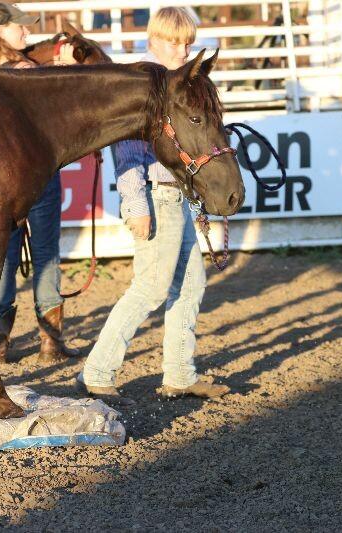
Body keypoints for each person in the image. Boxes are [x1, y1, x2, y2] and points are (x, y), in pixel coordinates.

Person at [78, 7, 230, 404]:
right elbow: (125, 149)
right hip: (155, 196)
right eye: (173, 42)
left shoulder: (176, 83)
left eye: (187, 43)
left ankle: (180, 373)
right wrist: (134, 204)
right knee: (150, 287)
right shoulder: (145, 84)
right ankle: (97, 370)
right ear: (155, 40)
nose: (181, 50)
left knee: (191, 282)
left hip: (176, 195)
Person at [0, 2, 80, 364]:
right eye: (18, 26)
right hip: (38, 175)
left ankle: (0, 342)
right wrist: (66, 70)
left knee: (2, 257)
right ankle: (49, 340)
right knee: (46, 252)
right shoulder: (26, 71)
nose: (25, 31)